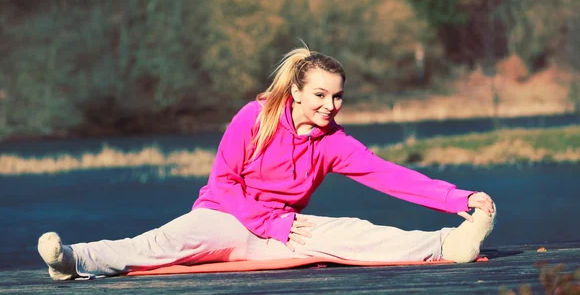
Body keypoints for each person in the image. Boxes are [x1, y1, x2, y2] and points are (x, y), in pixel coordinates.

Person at [37, 47, 496, 280]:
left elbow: (390, 176)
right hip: (223, 217)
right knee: (159, 243)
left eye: (337, 96)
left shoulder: (333, 142)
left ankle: (447, 245)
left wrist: (460, 198)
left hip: (283, 229)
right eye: (320, 94)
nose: (330, 104)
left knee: (353, 233)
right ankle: (72, 259)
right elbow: (223, 182)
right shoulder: (254, 118)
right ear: (296, 91)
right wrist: (268, 223)